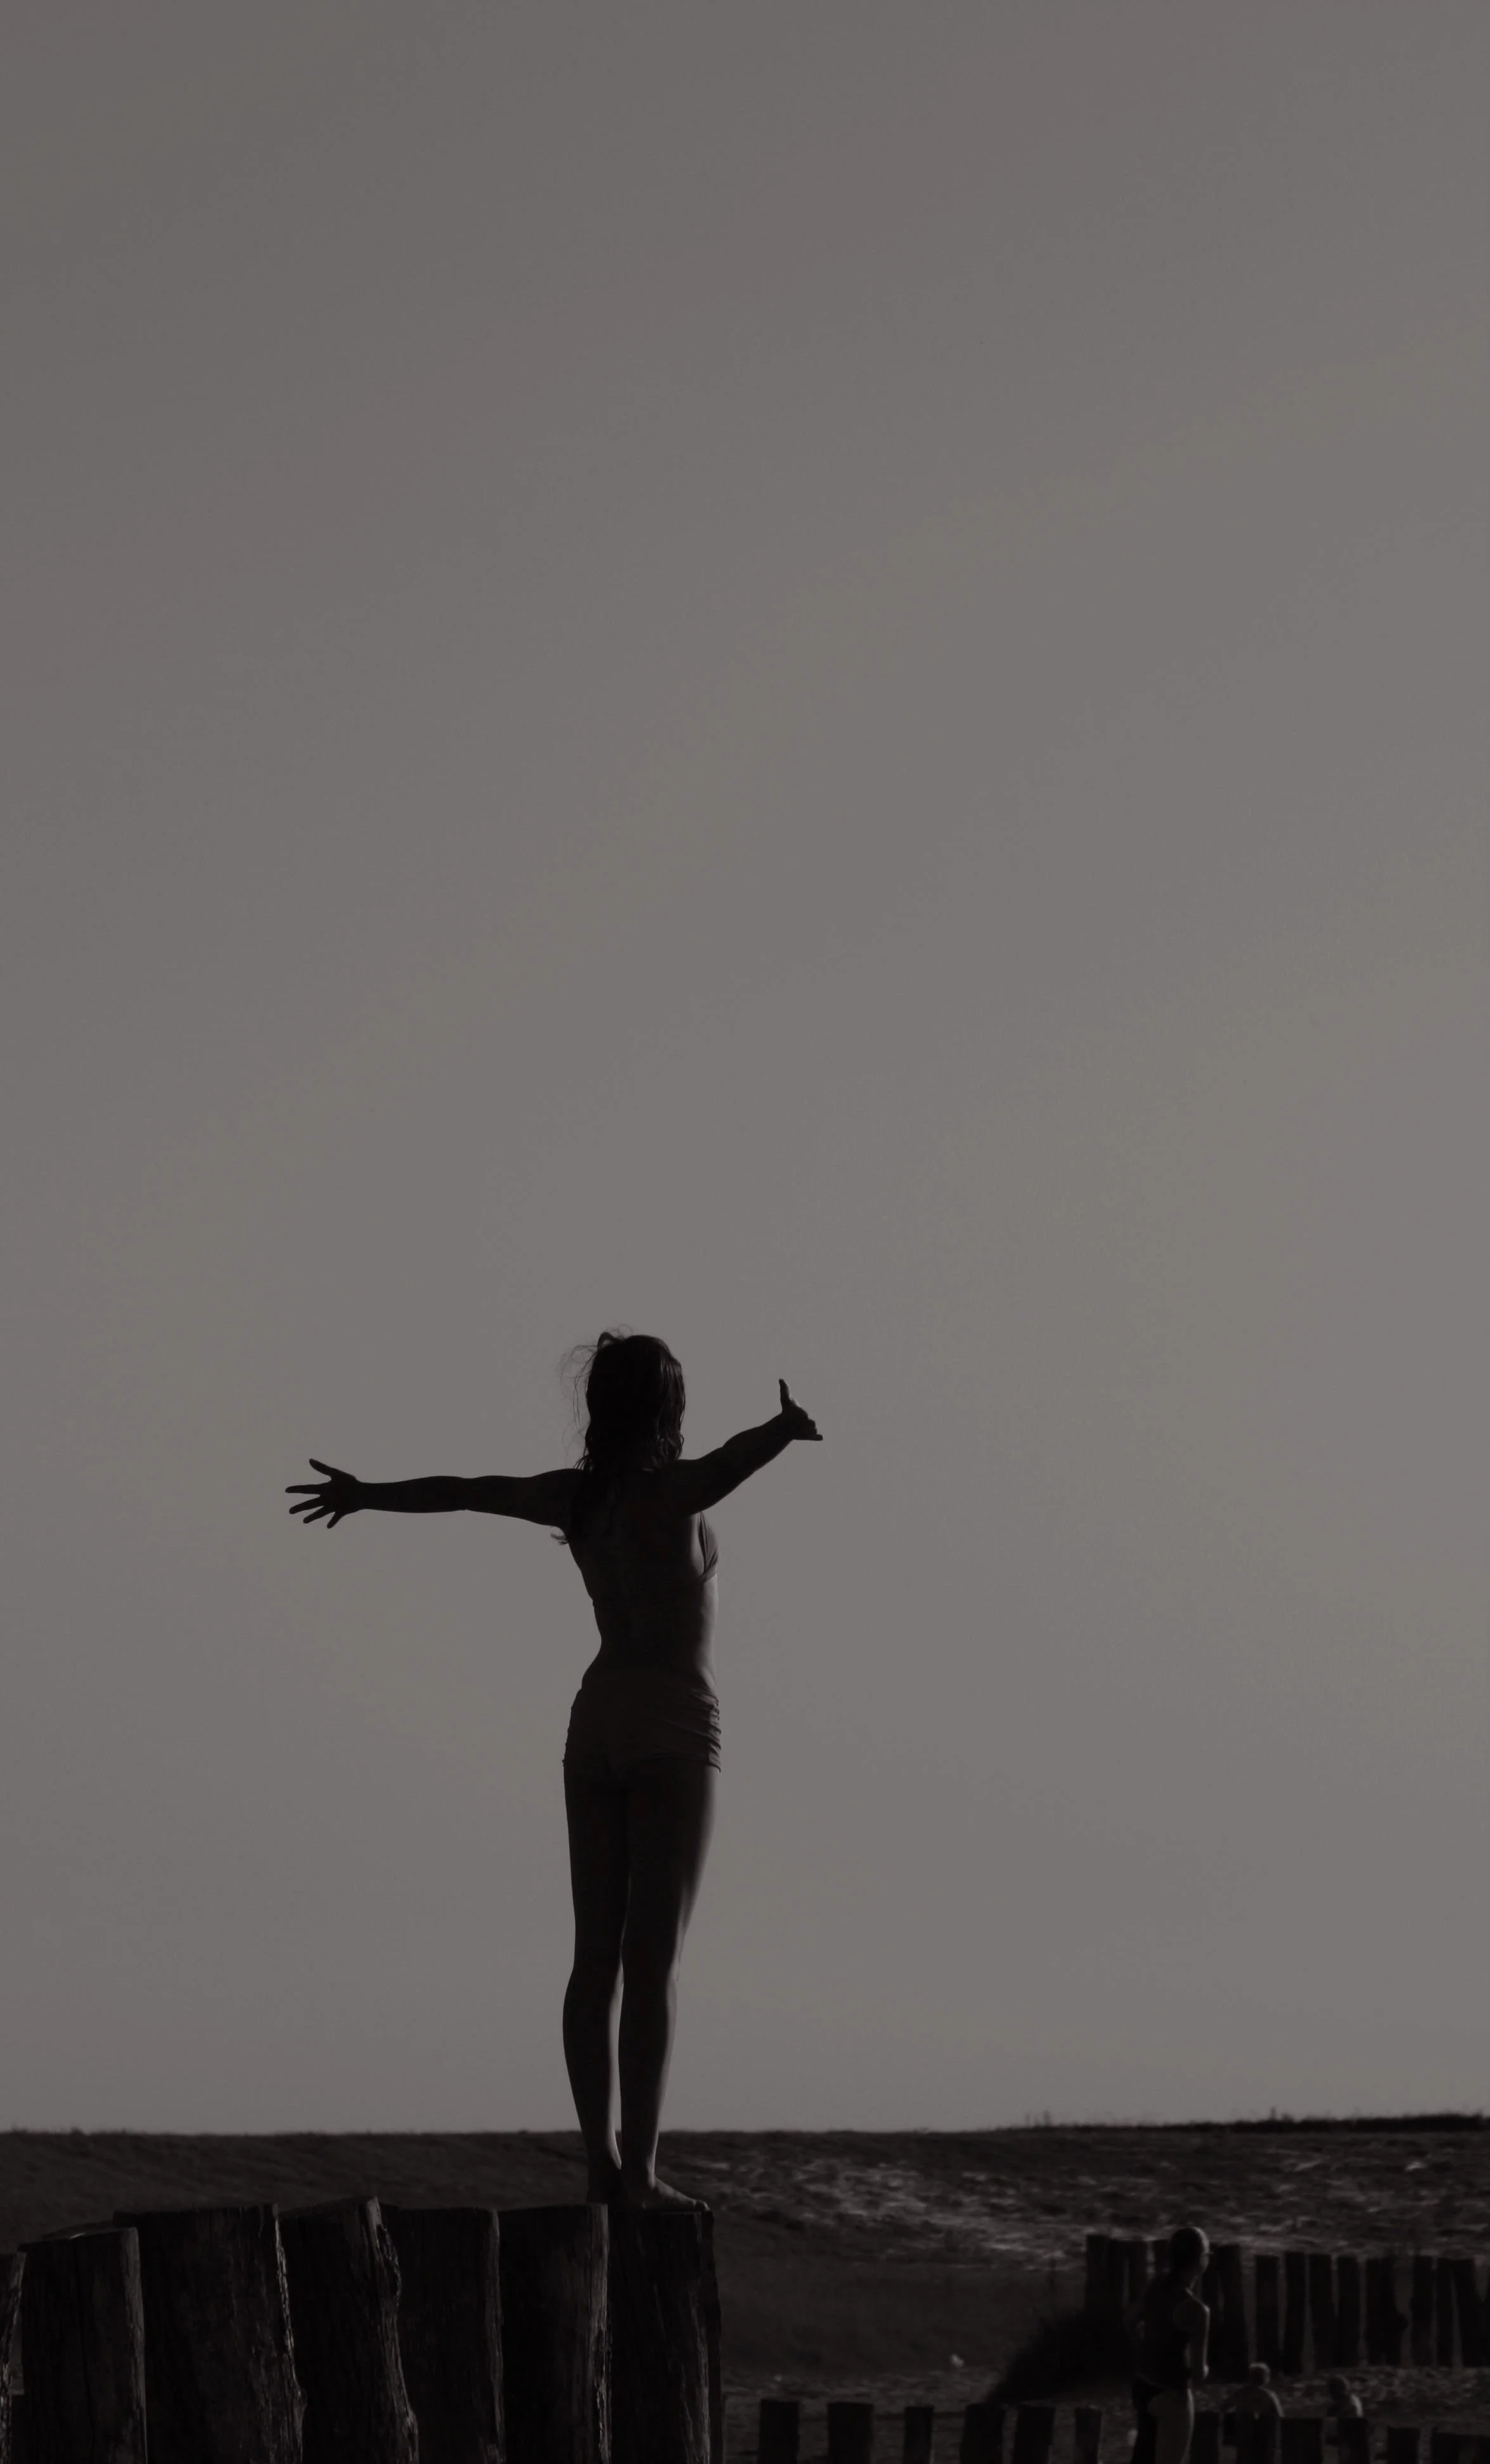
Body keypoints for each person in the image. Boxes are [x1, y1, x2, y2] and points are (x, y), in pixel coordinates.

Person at [288, 1330, 821, 2209]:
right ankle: (640, 2174)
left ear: (598, 1406)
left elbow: (465, 1490)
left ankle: (600, 2168)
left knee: (593, 1961)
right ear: (668, 1408)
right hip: (671, 1723)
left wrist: (365, 1494)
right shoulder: (674, 1494)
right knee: (652, 1961)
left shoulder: (574, 1500)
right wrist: (782, 1429)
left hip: (595, 1723)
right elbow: (732, 1461)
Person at [1130, 2226, 1211, 2464]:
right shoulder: (1196, 2310)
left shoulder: (1157, 2283)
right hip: (1172, 2396)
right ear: (1200, 2261)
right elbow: (1198, 2374)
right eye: (1207, 2254)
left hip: (1143, 2387)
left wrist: (1144, 2353)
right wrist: (1206, 2370)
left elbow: (1130, 2321)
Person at [1233, 2362, 1283, 2464]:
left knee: (1244, 2455)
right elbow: (1280, 2415)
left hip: (1244, 2429)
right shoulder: (1268, 2395)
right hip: (1264, 2432)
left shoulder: (1241, 2394)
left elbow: (1224, 2407)